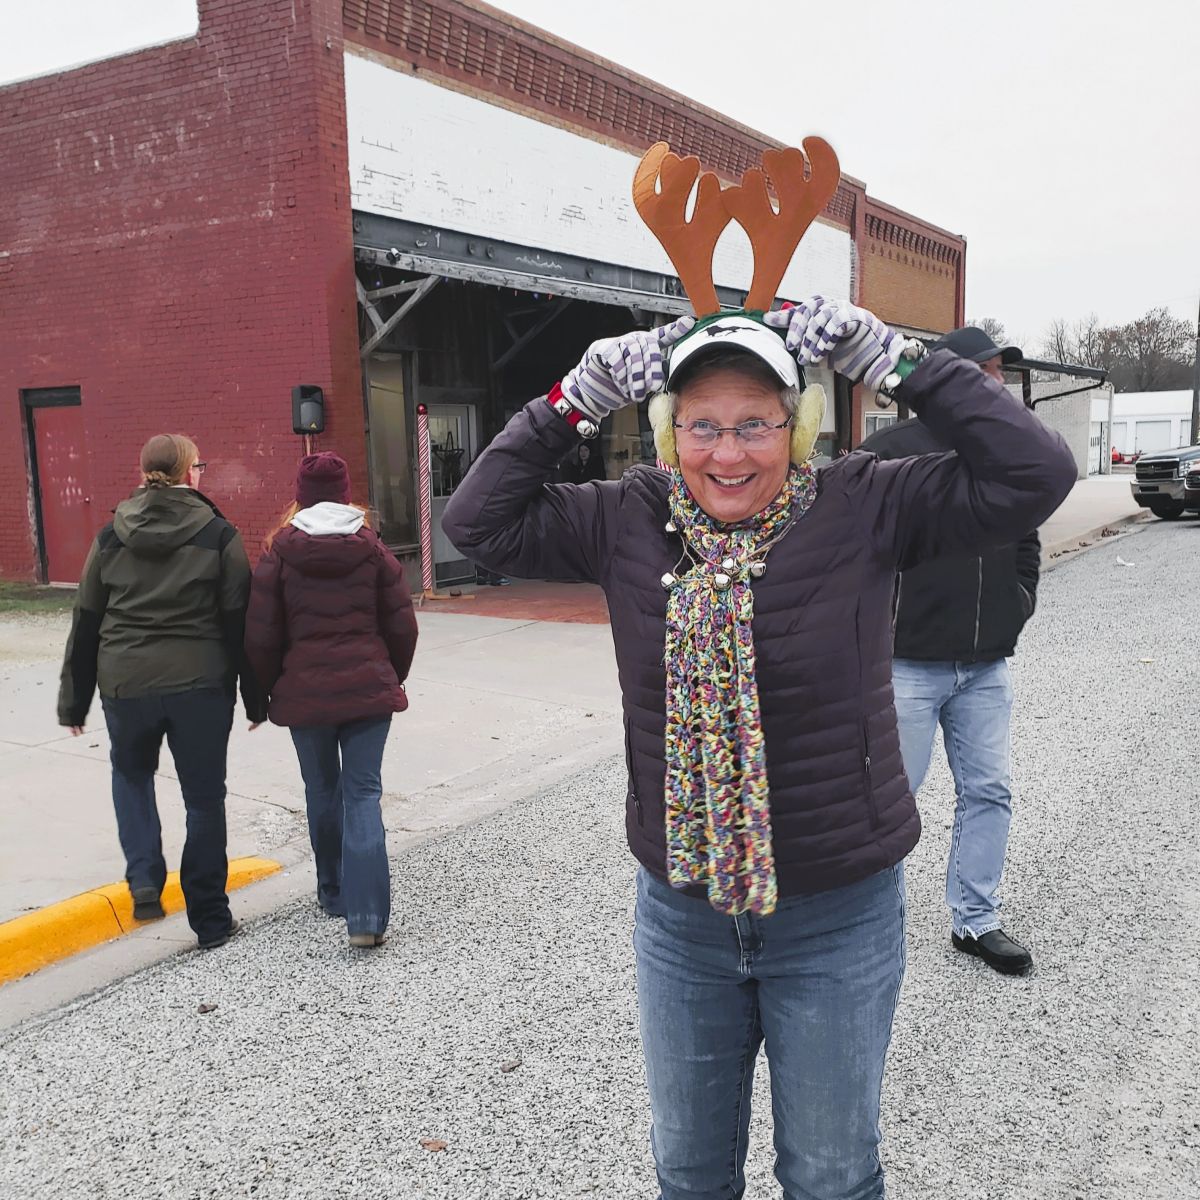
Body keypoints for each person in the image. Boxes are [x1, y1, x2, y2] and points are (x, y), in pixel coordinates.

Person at [443, 297, 1076, 1198]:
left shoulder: (865, 503)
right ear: (668, 431)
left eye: (754, 424)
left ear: (799, 426)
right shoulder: (628, 515)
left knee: (830, 1174)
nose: (727, 453)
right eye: (701, 424)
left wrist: (892, 359)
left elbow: (1033, 474)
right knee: (691, 1173)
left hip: (836, 913)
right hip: (684, 916)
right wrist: (575, 397)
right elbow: (477, 524)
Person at [861, 326, 1041, 976]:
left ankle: (976, 921)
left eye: (999, 373)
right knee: (888, 802)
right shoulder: (888, 454)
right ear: (949, 379)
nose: (997, 384)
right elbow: (853, 554)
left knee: (989, 791)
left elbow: (1027, 537)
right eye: (986, 371)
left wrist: (1019, 599)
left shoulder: (1008, 454)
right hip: (905, 665)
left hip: (985, 665)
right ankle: (865, 930)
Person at [57, 434, 264, 950]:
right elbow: (240, 620)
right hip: (201, 686)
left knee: (131, 775)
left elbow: (87, 619)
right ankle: (211, 922)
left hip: (126, 684)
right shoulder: (219, 535)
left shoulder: (109, 536)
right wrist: (257, 697)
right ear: (191, 472)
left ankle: (146, 879)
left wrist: (74, 699)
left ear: (143, 469)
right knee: (203, 799)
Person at [244, 452, 417, 948]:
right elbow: (402, 625)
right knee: (363, 793)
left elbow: (261, 636)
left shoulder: (278, 555)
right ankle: (365, 918)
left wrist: (274, 685)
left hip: (306, 697)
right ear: (346, 494)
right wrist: (388, 676)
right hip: (368, 693)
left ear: (300, 493)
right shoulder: (374, 551)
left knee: (322, 791)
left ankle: (333, 890)